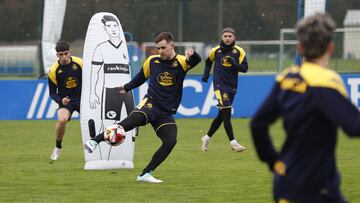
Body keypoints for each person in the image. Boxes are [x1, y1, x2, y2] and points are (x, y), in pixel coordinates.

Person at [250, 13, 360, 203]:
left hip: (287, 181)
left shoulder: (286, 78)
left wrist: (273, 161)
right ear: (331, 47)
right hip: (313, 187)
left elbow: (258, 124)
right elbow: (354, 127)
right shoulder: (326, 81)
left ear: (299, 47)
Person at [84, 32, 201, 183]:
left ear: (172, 45)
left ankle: (145, 174)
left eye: (163, 47)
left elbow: (196, 60)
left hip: (166, 113)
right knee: (131, 122)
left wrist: (193, 54)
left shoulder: (182, 62)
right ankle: (94, 141)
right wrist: (127, 87)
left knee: (170, 141)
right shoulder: (152, 61)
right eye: (158, 48)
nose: (160, 51)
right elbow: (141, 77)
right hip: (150, 103)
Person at [201, 27, 248, 152]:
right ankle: (233, 142)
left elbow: (245, 68)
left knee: (221, 115)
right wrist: (206, 75)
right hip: (219, 85)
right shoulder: (215, 51)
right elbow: (208, 61)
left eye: (230, 36)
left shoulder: (239, 51)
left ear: (234, 38)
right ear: (222, 37)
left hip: (232, 86)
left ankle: (207, 137)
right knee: (227, 111)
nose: (227, 38)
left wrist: (235, 65)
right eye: (225, 36)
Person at [89, 15, 134, 134]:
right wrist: (93, 93)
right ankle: (104, 150)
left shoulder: (125, 47)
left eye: (115, 25)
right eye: (109, 26)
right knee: (109, 126)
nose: (113, 28)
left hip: (128, 90)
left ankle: (125, 152)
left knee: (134, 125)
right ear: (105, 28)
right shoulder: (101, 48)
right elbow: (95, 72)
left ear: (119, 28)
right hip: (111, 91)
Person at [48, 41, 83, 161]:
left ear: (70, 52)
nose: (63, 57)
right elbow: (52, 93)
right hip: (66, 101)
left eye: (65, 53)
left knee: (91, 121)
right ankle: (58, 147)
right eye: (60, 54)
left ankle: (93, 145)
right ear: (57, 55)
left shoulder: (80, 63)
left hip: (82, 99)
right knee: (62, 120)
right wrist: (61, 100)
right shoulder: (53, 70)